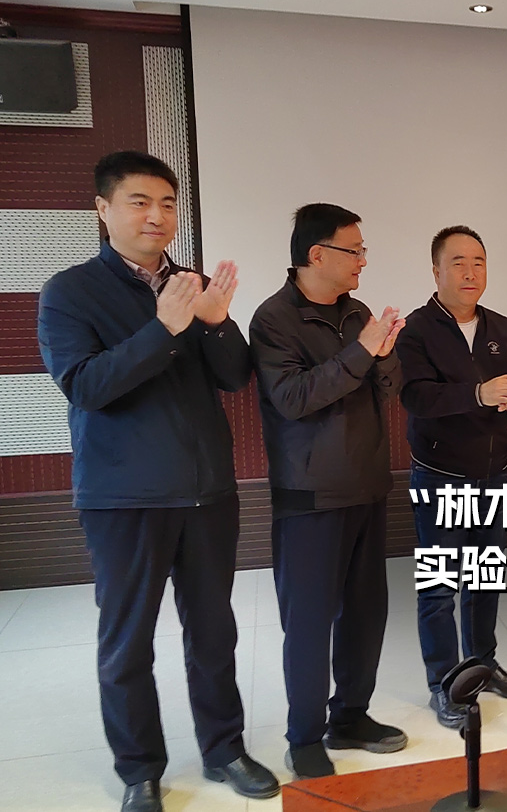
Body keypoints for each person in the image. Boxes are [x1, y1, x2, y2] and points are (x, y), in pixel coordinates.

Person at [38, 151, 279, 812]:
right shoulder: (70, 291)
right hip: (124, 497)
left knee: (214, 634)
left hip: (207, 493)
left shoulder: (190, 283)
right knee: (127, 644)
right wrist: (165, 327)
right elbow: (86, 386)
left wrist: (217, 321)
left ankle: (224, 749)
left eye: (168, 204)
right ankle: (140, 769)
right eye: (140, 202)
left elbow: (234, 376)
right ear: (103, 209)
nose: (157, 216)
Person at [250, 203, 409, 779]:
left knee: (366, 615)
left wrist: (383, 354)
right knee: (310, 623)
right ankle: (304, 736)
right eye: (355, 250)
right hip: (310, 495)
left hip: (367, 485)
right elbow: (294, 398)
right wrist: (363, 350)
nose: (363, 261)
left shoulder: (356, 313)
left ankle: (351, 716)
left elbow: (387, 387)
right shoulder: (274, 319)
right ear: (317, 254)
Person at [394, 225, 507, 729]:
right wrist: (480, 393)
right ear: (436, 271)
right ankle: (443, 683)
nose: (470, 272)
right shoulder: (416, 330)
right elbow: (417, 397)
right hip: (440, 474)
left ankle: (483, 665)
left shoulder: (503, 326)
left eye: (478, 261)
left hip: (494, 472)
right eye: (458, 262)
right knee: (439, 587)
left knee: (486, 577)